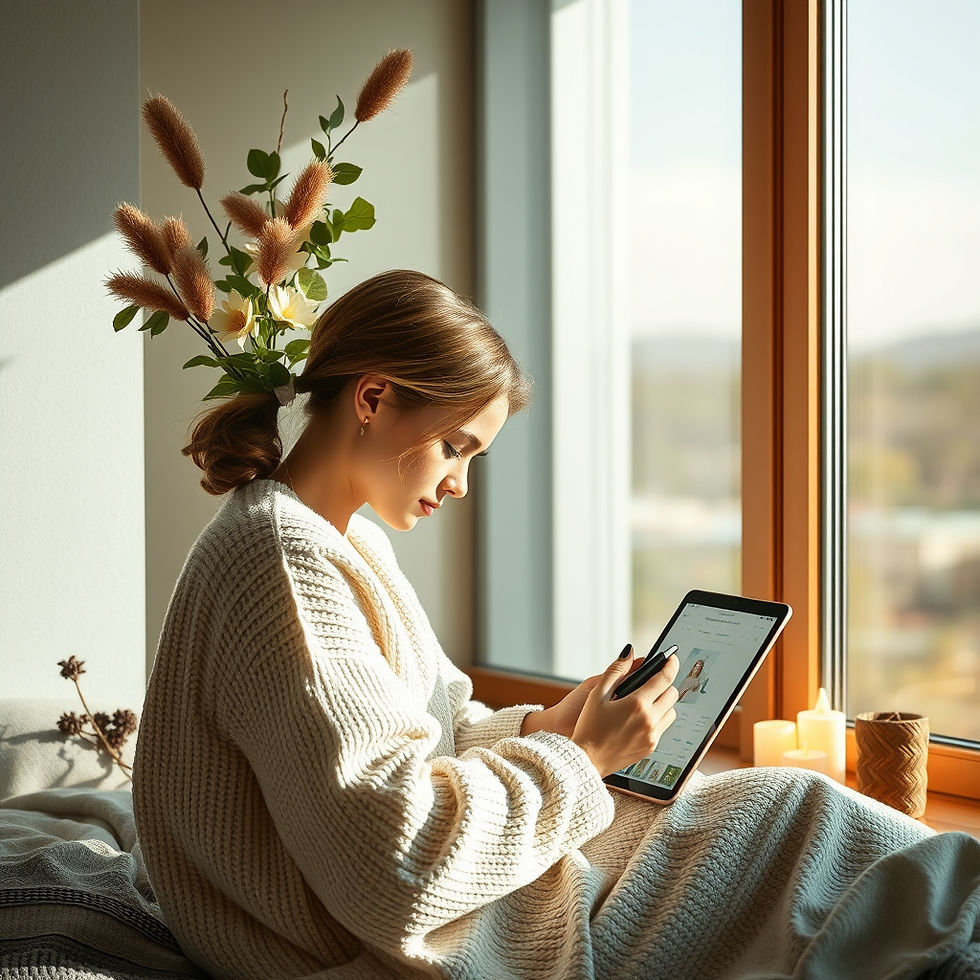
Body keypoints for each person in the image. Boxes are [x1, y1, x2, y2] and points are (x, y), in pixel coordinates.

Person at [134, 269, 980, 980]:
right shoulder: (285, 564)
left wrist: (551, 722)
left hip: (449, 892)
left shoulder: (331, 536)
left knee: (788, 814)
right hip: (403, 940)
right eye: (457, 447)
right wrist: (586, 756)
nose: (460, 483)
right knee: (793, 819)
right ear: (375, 396)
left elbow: (434, 733)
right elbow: (391, 866)